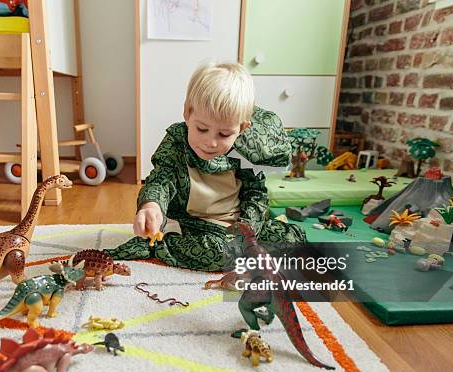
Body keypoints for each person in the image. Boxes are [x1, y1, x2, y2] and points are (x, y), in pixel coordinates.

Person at [105, 61, 306, 271]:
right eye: (202, 129)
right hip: (198, 224)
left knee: (295, 239)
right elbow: (161, 180)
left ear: (242, 128)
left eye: (224, 134)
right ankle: (159, 245)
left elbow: (256, 194)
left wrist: (246, 230)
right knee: (222, 255)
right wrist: (151, 205)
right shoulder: (177, 141)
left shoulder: (245, 152)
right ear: (187, 113)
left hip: (239, 222)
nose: (211, 142)